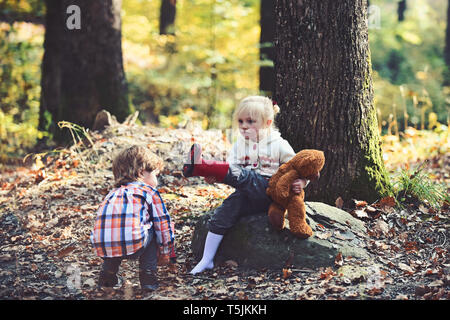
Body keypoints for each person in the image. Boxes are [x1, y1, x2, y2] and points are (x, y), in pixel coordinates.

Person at [183, 95, 310, 275]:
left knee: (247, 177)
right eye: (240, 121)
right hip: (247, 193)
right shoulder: (240, 145)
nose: (243, 126)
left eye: (250, 121)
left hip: (270, 192)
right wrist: (217, 177)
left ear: (267, 122)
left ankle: (200, 167)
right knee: (224, 212)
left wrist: (302, 182)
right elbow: (232, 172)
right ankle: (207, 259)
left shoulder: (279, 144)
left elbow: (300, 167)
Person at [90, 145, 175, 291]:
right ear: (142, 173)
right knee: (154, 230)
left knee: (117, 232)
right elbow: (163, 224)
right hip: (135, 243)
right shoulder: (149, 191)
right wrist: (166, 252)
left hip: (103, 245)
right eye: (155, 174)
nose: (157, 180)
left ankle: (106, 278)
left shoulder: (112, 193)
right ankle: (148, 280)